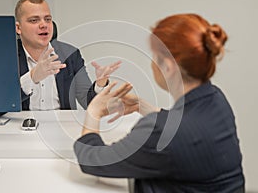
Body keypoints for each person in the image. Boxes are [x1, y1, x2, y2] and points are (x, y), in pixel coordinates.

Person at [74, 13, 245, 193]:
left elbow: (91, 159)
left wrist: (93, 112)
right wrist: (142, 106)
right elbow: (189, 131)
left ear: (168, 67)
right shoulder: (216, 99)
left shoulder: (162, 134)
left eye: (154, 57)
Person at [0, 0, 120, 118]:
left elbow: (89, 105)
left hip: (61, 131)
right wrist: (31, 78)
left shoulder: (70, 54)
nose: (44, 25)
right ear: (18, 28)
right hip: (20, 131)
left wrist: (100, 85)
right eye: (34, 20)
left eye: (47, 19)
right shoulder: (4, 56)